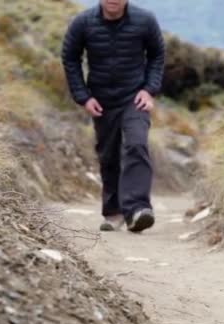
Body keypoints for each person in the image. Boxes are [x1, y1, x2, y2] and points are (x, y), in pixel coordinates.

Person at [61, 0, 165, 233]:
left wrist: (149, 90)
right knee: (108, 154)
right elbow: (70, 58)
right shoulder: (82, 22)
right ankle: (114, 212)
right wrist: (84, 97)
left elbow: (157, 56)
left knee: (137, 143)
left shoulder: (145, 20)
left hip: (134, 97)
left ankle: (138, 210)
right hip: (102, 100)